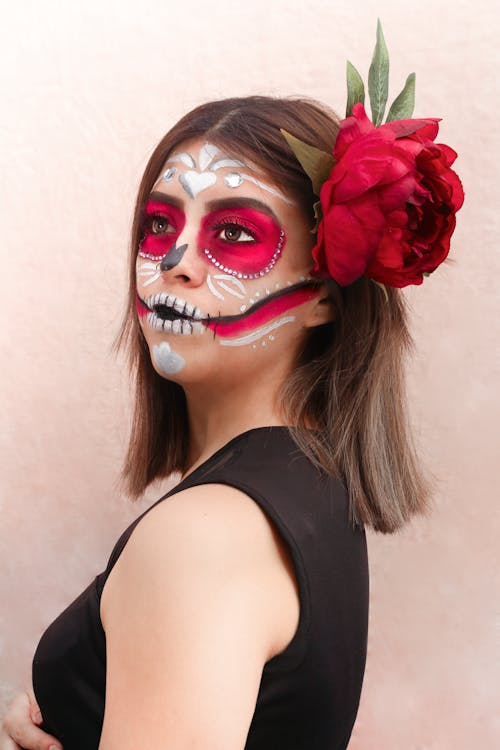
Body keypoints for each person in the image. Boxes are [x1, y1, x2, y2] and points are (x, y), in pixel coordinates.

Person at [1, 46, 463, 750]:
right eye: (160, 225)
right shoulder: (313, 487)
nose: (177, 262)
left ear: (322, 298)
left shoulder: (206, 537)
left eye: (235, 234)